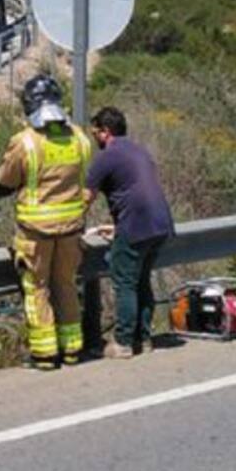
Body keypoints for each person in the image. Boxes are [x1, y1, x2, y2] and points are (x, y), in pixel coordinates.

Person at [0, 74, 92, 370]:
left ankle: (44, 354)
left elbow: (4, 182)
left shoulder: (25, 142)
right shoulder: (80, 138)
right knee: (65, 284)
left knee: (37, 287)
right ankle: (73, 348)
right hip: (72, 228)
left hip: (35, 233)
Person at [84, 106, 175, 359]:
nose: (94, 138)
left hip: (135, 226)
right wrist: (116, 226)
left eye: (95, 133)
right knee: (142, 280)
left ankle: (123, 342)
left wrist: (65, 225)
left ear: (105, 132)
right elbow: (137, 189)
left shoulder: (107, 156)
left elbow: (85, 198)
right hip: (160, 224)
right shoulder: (139, 150)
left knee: (124, 282)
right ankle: (143, 339)